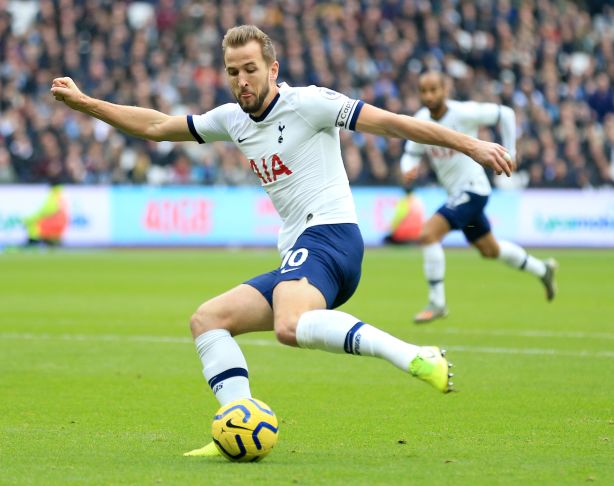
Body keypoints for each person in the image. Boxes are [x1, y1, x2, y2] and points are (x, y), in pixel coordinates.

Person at [51, 25, 514, 457]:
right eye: (233, 72)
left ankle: (414, 354)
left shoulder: (310, 103)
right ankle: (236, 420)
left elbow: (395, 124)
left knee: (289, 327)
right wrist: (87, 104)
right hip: (299, 252)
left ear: (272, 69)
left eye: (251, 69)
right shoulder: (232, 119)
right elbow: (157, 127)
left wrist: (471, 146)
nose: (242, 81)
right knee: (208, 320)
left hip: (332, 236)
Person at [400, 72, 558, 324]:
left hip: (473, 190)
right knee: (489, 250)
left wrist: (511, 153)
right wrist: (407, 167)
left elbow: (505, 113)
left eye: (434, 90)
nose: (429, 96)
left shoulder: (463, 113)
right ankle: (543, 270)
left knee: (428, 234)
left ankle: (437, 302)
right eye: (424, 91)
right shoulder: (420, 120)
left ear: (445, 89)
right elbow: (411, 152)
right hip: (458, 195)